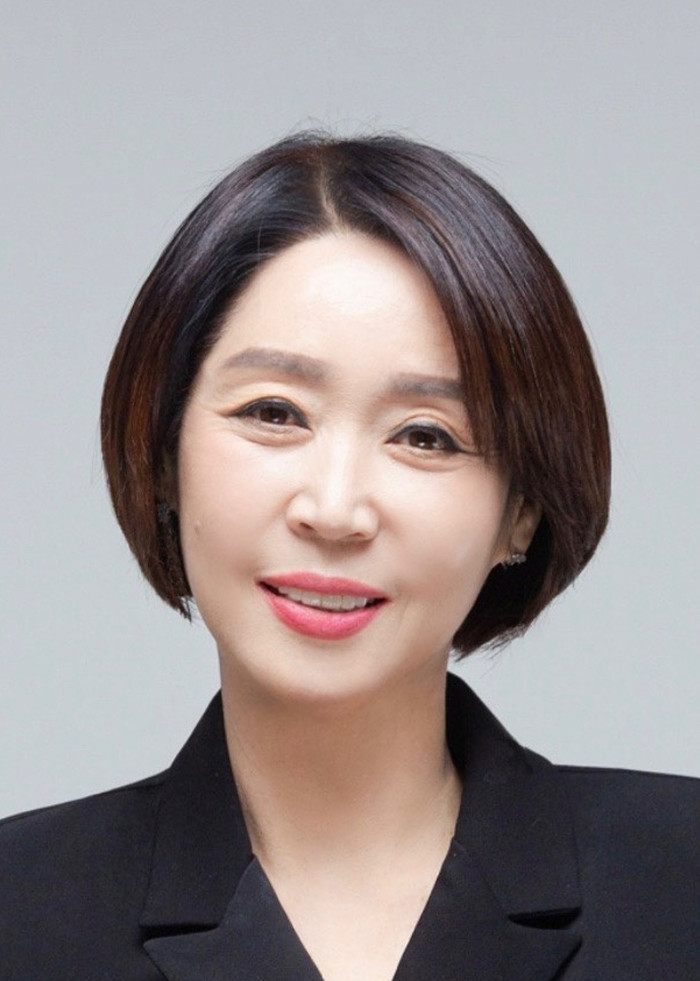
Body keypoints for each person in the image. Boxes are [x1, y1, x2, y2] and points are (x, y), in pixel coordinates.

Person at [1, 132, 697, 981]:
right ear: (164, 451)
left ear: (522, 513)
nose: (334, 510)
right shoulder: (20, 908)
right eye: (274, 412)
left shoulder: (678, 883)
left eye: (425, 436)